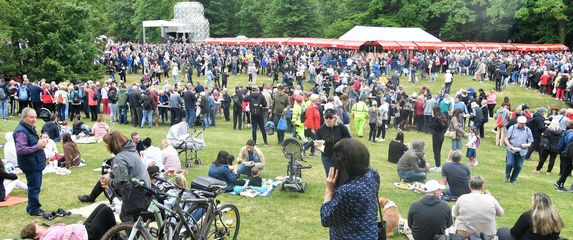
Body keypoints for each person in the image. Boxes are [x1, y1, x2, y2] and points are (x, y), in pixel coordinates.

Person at [320, 139, 380, 240]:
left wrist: (329, 189)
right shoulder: (373, 173)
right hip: (371, 233)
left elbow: (326, 218)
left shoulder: (347, 191)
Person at [99, 131, 151, 223]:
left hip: (135, 193)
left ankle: (134, 236)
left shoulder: (120, 158)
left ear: (112, 145)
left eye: (107, 144)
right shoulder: (132, 150)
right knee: (135, 219)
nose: (106, 147)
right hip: (145, 187)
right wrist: (111, 175)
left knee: (126, 217)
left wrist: (109, 180)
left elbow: (120, 182)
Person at [13, 107, 47, 216]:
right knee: (34, 187)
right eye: (31, 117)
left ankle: (31, 206)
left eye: (35, 117)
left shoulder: (28, 128)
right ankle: (34, 209)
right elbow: (21, 149)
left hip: (35, 162)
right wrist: (37, 146)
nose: (34, 119)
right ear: (23, 118)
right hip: (30, 164)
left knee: (35, 186)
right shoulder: (21, 132)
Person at [20, 204, 117, 240]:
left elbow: (64, 228)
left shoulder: (47, 232)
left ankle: (113, 234)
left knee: (102, 206)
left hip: (82, 229)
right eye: (39, 228)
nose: (41, 227)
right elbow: (66, 233)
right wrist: (69, 231)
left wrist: (76, 225)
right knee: (106, 211)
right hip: (86, 235)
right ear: (36, 236)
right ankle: (115, 236)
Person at [497, 192, 563, 240]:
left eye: (532, 200)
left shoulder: (528, 216)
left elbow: (514, 233)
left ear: (536, 203)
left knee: (502, 230)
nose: (530, 202)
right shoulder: (556, 216)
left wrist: (513, 227)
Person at [315, 108, 352, 175]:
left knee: (340, 175)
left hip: (340, 156)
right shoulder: (320, 130)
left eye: (330, 117)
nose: (328, 119)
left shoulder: (341, 127)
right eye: (326, 117)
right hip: (326, 157)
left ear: (334, 118)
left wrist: (343, 146)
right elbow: (318, 144)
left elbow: (349, 139)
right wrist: (318, 146)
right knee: (330, 175)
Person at [504, 116, 533, 183]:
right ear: (518, 122)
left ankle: (513, 179)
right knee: (509, 163)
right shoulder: (512, 128)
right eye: (520, 123)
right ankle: (507, 176)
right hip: (511, 148)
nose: (521, 125)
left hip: (522, 150)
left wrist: (527, 145)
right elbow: (506, 139)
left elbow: (530, 141)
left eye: (523, 123)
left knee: (519, 166)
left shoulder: (528, 130)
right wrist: (510, 146)